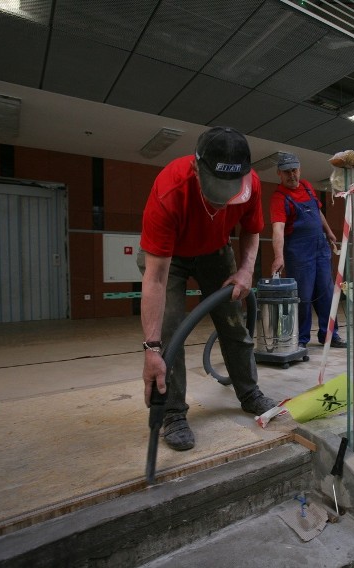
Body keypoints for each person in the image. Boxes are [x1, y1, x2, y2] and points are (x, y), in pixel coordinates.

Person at [139, 126, 277, 451]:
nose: (224, 194)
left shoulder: (252, 184)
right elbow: (155, 277)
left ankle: (249, 392)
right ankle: (173, 413)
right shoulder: (170, 190)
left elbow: (252, 231)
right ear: (196, 169)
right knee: (170, 333)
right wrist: (151, 349)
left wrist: (245, 271)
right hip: (171, 259)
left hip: (216, 253)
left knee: (233, 324)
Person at [270, 152, 347, 350]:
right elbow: (278, 228)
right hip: (298, 253)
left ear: (299, 169)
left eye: (294, 170)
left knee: (326, 293)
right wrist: (279, 256)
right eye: (286, 172)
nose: (291, 175)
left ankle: (329, 335)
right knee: (302, 297)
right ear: (279, 173)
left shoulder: (306, 186)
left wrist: (329, 232)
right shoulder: (279, 198)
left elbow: (318, 211)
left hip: (320, 249)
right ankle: (301, 339)